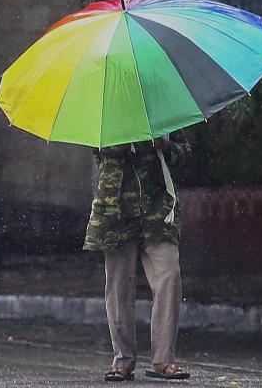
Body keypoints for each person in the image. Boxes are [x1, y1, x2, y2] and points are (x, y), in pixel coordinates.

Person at [84, 132, 191, 382]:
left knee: (169, 276)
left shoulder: (159, 108)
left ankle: (164, 359)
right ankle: (122, 360)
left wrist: (166, 146)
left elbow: (184, 152)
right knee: (119, 286)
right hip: (115, 213)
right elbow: (100, 153)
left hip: (158, 213)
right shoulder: (105, 114)